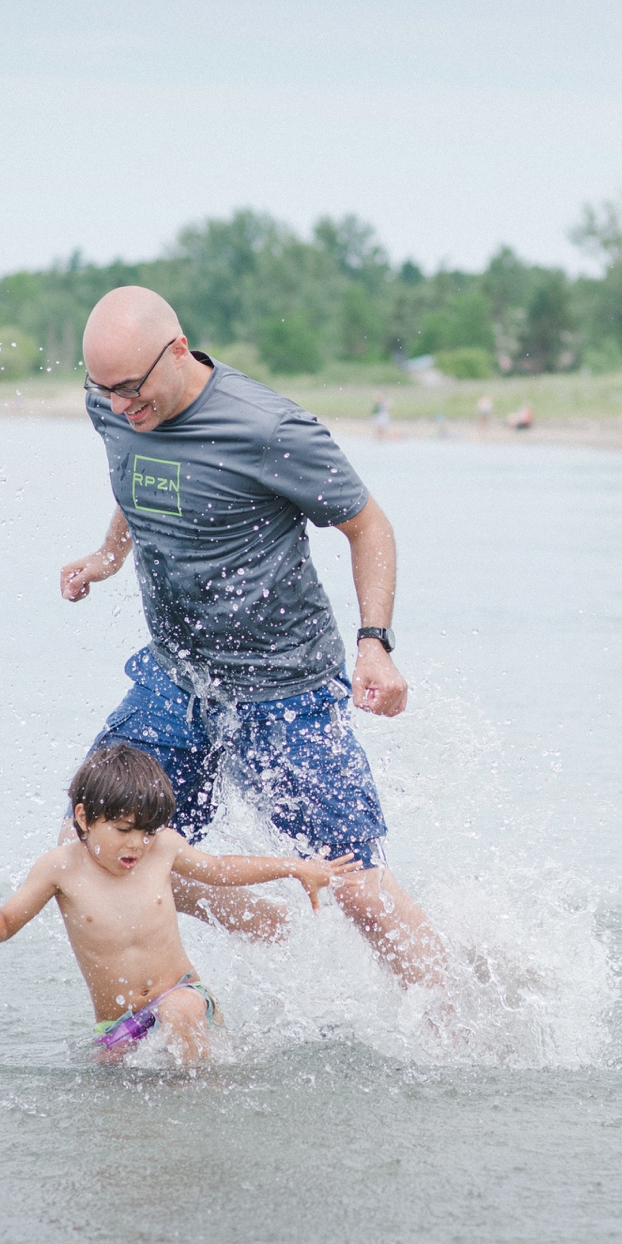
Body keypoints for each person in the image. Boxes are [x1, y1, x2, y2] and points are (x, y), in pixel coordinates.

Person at [59, 286, 445, 988]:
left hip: (284, 690)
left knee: (355, 883)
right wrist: (109, 555)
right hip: (176, 680)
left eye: (131, 390)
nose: (119, 407)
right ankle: (265, 931)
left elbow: (369, 525)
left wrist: (375, 642)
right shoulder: (114, 404)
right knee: (90, 841)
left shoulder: (268, 428)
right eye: (103, 390)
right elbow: (135, 472)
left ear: (177, 351)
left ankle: (458, 1024)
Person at [0, 745, 354, 1063]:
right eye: (123, 830)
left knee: (178, 1013)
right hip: (118, 1025)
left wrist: (294, 867)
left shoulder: (163, 848)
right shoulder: (60, 869)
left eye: (147, 831)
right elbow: (6, 920)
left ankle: (204, 1101)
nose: (137, 844)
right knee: (112, 1096)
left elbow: (221, 868)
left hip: (183, 996)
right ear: (83, 818)